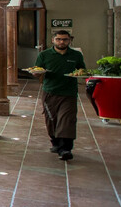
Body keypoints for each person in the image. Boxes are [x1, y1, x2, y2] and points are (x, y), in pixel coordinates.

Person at [35, 30, 85, 161]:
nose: (61, 42)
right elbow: (37, 70)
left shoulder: (76, 55)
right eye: (58, 39)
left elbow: (82, 70)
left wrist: (81, 74)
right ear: (53, 40)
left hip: (69, 92)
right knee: (51, 119)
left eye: (65, 39)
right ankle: (55, 142)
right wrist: (37, 73)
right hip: (50, 91)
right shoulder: (44, 55)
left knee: (67, 120)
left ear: (70, 41)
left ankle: (65, 148)